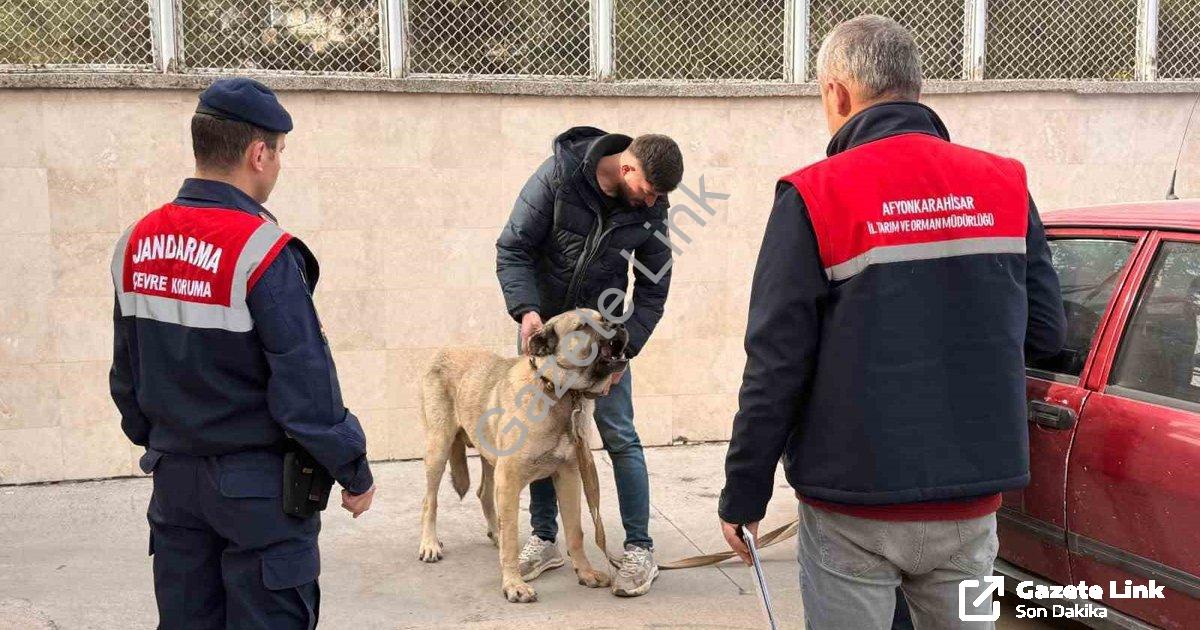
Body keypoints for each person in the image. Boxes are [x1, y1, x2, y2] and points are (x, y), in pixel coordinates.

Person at [717, 15, 1065, 629]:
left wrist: (744, 492)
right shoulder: (1005, 183)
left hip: (855, 506)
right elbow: (1047, 337)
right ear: (916, 87)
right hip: (972, 497)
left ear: (837, 94)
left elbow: (776, 363)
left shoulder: (814, 194)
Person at [109, 77, 376, 629]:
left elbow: (126, 375)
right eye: (279, 152)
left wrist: (165, 442)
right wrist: (352, 469)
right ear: (259, 153)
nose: (278, 164)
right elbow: (306, 387)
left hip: (175, 483)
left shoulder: (135, 242)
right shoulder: (261, 249)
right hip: (260, 492)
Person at [495, 127, 684, 597]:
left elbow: (654, 286)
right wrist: (527, 311)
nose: (651, 202)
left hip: (604, 343)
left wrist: (627, 346)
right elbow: (513, 246)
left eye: (659, 196)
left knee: (621, 435)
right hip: (549, 339)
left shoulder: (651, 207)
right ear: (626, 168)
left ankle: (639, 548)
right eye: (646, 190)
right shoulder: (560, 176)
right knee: (535, 437)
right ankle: (544, 539)